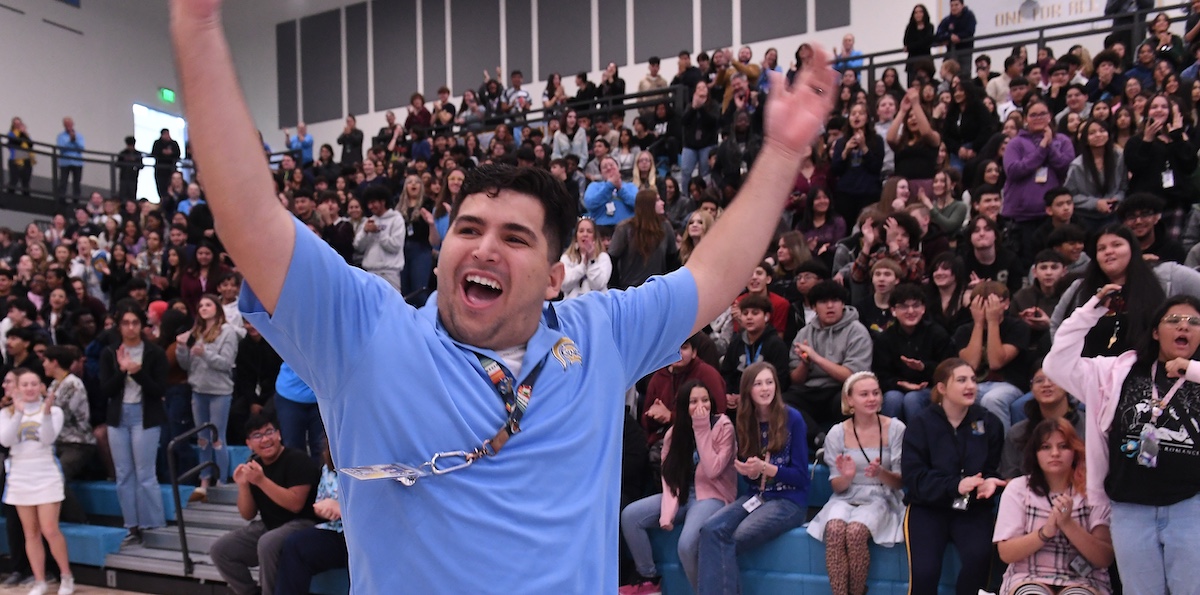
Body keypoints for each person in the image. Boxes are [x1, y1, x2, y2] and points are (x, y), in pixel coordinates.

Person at [171, 0, 836, 588]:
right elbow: (252, 219)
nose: (484, 246)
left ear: (555, 274)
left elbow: (712, 275)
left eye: (515, 237)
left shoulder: (599, 332)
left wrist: (780, 153)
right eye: (468, 228)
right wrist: (197, 26)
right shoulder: (367, 333)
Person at [1046, 289, 1200, 595]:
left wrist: (1190, 369)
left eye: (1194, 321)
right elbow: (1056, 365)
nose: (1184, 326)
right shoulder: (1116, 372)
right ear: (1156, 331)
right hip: (1131, 508)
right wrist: (1091, 311)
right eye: (1174, 320)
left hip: (1190, 506)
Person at [697, 362, 809, 595]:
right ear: (748, 389)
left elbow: (801, 477)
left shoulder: (793, 418)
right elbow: (752, 480)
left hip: (788, 501)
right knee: (710, 530)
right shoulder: (746, 420)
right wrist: (751, 473)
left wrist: (766, 468)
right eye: (758, 384)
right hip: (757, 496)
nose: (765, 388)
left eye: (769, 382)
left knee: (730, 540)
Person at [902, 358, 1006, 595]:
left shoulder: (989, 422)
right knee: (925, 574)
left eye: (972, 379)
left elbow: (992, 469)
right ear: (941, 388)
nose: (970, 385)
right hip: (928, 507)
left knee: (978, 561)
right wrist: (955, 485)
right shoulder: (921, 424)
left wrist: (990, 483)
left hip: (973, 508)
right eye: (961, 380)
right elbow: (914, 479)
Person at [620, 380, 734, 594]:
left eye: (705, 400)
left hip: (712, 494)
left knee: (686, 545)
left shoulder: (723, 426)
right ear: (683, 406)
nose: (701, 406)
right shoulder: (674, 434)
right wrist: (667, 512)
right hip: (681, 493)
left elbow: (713, 470)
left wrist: (701, 428)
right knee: (630, 516)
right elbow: (670, 476)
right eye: (693, 401)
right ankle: (648, 579)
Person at [807, 372, 905, 595]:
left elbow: (900, 483)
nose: (872, 398)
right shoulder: (837, 433)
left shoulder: (896, 428)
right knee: (834, 529)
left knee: (855, 532)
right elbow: (837, 486)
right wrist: (848, 476)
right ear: (849, 400)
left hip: (883, 495)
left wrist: (881, 473)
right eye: (864, 394)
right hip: (847, 494)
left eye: (876, 393)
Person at [993, 418, 1114, 595]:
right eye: (1046, 447)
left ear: (1075, 451)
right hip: (1028, 575)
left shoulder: (1093, 491)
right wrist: (1045, 532)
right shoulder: (1018, 489)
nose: (1055, 453)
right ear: (1035, 453)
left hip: (1085, 579)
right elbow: (1006, 553)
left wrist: (1068, 525)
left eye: (1063, 446)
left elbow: (1104, 558)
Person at [210, 414, 320, 595]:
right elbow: (248, 514)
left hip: (304, 524)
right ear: (249, 443)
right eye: (257, 436)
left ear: (279, 435)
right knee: (221, 550)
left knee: (267, 543)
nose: (265, 439)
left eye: (269, 432)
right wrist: (244, 486)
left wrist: (261, 480)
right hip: (270, 525)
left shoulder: (298, 460)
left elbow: (295, 504)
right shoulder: (254, 466)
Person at [1050, 223, 1200, 357]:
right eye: (1101, 248)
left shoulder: (1167, 275)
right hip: (1094, 378)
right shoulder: (1080, 287)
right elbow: (1057, 324)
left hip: (1151, 376)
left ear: (1132, 249)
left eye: (1116, 245)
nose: (1108, 251)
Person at [99, 300, 167, 545]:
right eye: (125, 323)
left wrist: (137, 372)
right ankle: (132, 525)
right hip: (118, 417)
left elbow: (159, 389)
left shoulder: (154, 353)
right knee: (124, 474)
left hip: (145, 415)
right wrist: (122, 371)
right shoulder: (109, 353)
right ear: (119, 326)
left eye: (135, 322)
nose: (130, 327)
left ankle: (154, 524)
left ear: (141, 325)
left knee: (145, 473)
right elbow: (105, 390)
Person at [0, 369, 73, 595]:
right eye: (25, 384)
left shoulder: (54, 411)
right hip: (20, 474)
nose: (30, 388)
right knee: (30, 532)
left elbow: (48, 439)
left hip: (45, 472)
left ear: (41, 387)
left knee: (50, 529)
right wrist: (19, 414)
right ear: (17, 388)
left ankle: (66, 576)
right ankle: (40, 580)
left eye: (34, 384)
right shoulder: (6, 413)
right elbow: (6, 440)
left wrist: (47, 414)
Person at [176, 294, 239, 498]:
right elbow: (186, 365)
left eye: (208, 304)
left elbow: (226, 363)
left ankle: (221, 480)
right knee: (202, 438)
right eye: (201, 305)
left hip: (219, 390)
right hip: (198, 389)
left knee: (217, 436)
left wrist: (205, 354)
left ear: (217, 308)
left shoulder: (228, 332)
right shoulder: (196, 331)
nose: (203, 308)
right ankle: (204, 479)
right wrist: (181, 347)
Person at [876, 284, 952, 422]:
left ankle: (919, 441)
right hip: (897, 389)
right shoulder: (885, 339)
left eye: (916, 306)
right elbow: (881, 375)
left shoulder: (937, 333)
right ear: (893, 310)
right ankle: (888, 441)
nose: (910, 311)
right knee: (893, 399)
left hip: (931, 388)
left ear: (923, 309)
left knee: (913, 399)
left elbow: (949, 369)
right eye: (904, 306)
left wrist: (923, 368)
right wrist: (901, 383)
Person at [1000, 366, 1086, 479]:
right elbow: (1009, 477)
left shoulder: (1089, 425)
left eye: (1053, 379)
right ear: (1031, 388)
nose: (1046, 384)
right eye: (1039, 380)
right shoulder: (1017, 432)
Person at [608, 190, 677, 289]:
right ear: (647, 204)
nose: (663, 202)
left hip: (657, 288)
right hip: (630, 289)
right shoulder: (625, 228)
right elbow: (612, 259)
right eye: (657, 200)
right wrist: (616, 289)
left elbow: (672, 260)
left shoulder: (666, 227)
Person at [352, 186, 405, 292]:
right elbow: (358, 246)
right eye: (368, 203)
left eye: (373, 202)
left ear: (383, 201)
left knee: (392, 306)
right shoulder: (369, 221)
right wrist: (365, 232)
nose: (371, 206)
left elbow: (395, 246)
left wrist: (378, 232)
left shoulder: (396, 219)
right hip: (370, 272)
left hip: (389, 273)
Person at [559, 218, 611, 299]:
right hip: (571, 307)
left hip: (596, 306)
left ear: (594, 237)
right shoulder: (566, 258)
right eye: (581, 231)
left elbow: (598, 285)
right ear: (576, 237)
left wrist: (591, 261)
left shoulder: (603, 258)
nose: (585, 234)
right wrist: (582, 266)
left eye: (589, 231)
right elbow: (563, 285)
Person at [55, 118, 85, 200]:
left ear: (73, 124)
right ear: (64, 125)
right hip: (65, 162)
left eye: (70, 124)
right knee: (63, 182)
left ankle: (76, 201)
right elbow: (61, 148)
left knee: (77, 183)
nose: (68, 126)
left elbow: (81, 148)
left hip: (77, 162)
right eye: (66, 124)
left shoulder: (79, 136)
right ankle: (61, 200)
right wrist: (70, 141)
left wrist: (75, 141)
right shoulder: (60, 136)